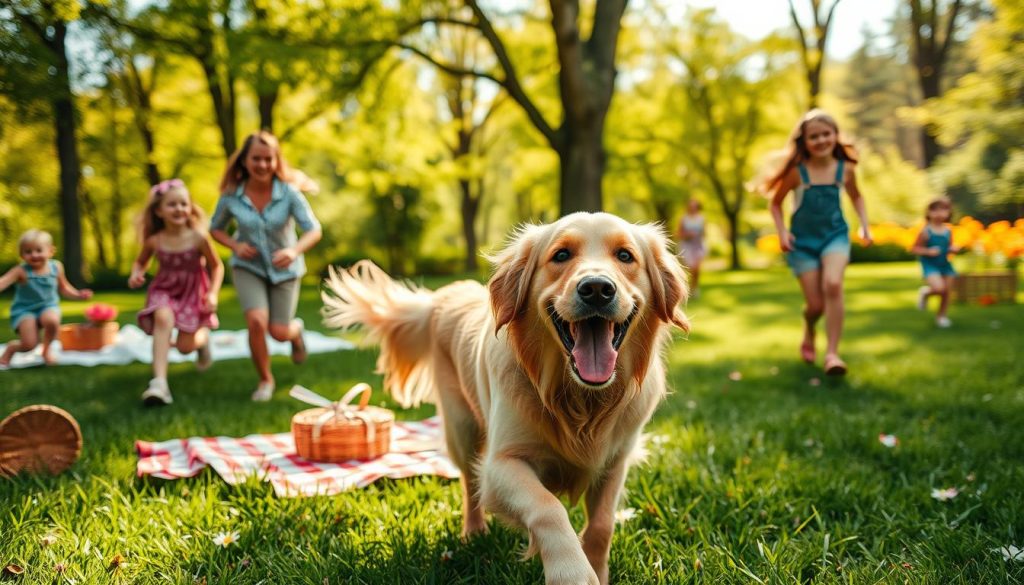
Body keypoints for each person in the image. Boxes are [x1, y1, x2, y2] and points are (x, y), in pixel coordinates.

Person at [210, 131, 322, 401]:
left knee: (279, 332)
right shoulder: (231, 195)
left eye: (268, 159)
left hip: (285, 270)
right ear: (244, 161)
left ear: (276, 160)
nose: (262, 165)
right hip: (248, 267)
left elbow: (313, 229)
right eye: (256, 159)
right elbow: (215, 229)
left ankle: (296, 334)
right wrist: (235, 246)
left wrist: (294, 250)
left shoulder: (289, 193)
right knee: (257, 322)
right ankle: (265, 380)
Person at [763, 109, 872, 376]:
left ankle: (832, 354)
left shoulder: (846, 169)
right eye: (814, 136)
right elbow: (775, 204)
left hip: (835, 236)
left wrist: (865, 227)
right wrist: (782, 232)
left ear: (836, 136)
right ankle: (810, 328)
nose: (821, 140)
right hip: (803, 244)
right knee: (816, 306)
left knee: (833, 284)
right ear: (804, 141)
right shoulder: (797, 173)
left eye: (827, 134)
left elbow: (857, 197)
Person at [129, 179, 224, 406]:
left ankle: (202, 340)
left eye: (184, 203)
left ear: (190, 207)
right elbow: (140, 262)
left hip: (193, 293)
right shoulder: (155, 240)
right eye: (172, 205)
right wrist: (136, 273)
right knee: (163, 318)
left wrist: (212, 293)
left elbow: (216, 266)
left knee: (184, 348)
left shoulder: (199, 238)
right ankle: (159, 384)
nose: (179, 209)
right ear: (159, 211)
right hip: (165, 290)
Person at [0, 230, 93, 366]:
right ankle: (11, 349)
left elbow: (64, 287)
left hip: (47, 306)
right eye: (28, 252)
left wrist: (78, 295)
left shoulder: (56, 267)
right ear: (21, 255)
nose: (34, 255)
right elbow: (3, 281)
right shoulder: (21, 271)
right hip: (25, 310)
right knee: (29, 344)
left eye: (39, 250)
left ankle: (46, 350)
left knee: (52, 320)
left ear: (50, 251)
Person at [911, 198, 960, 328]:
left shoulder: (948, 231)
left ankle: (941, 316)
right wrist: (928, 251)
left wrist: (953, 249)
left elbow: (949, 247)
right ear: (929, 212)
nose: (939, 213)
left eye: (943, 209)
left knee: (947, 292)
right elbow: (914, 248)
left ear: (949, 212)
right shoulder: (925, 231)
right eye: (935, 209)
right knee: (939, 288)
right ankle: (925, 293)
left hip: (944, 264)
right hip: (930, 265)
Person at [676, 199, 707, 297]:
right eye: (691, 206)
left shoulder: (701, 219)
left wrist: (700, 234)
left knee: (696, 268)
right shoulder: (684, 219)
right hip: (686, 246)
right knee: (689, 268)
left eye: (695, 207)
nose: (693, 208)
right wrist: (688, 235)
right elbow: (678, 233)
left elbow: (705, 233)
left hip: (698, 246)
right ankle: (686, 289)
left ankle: (694, 288)